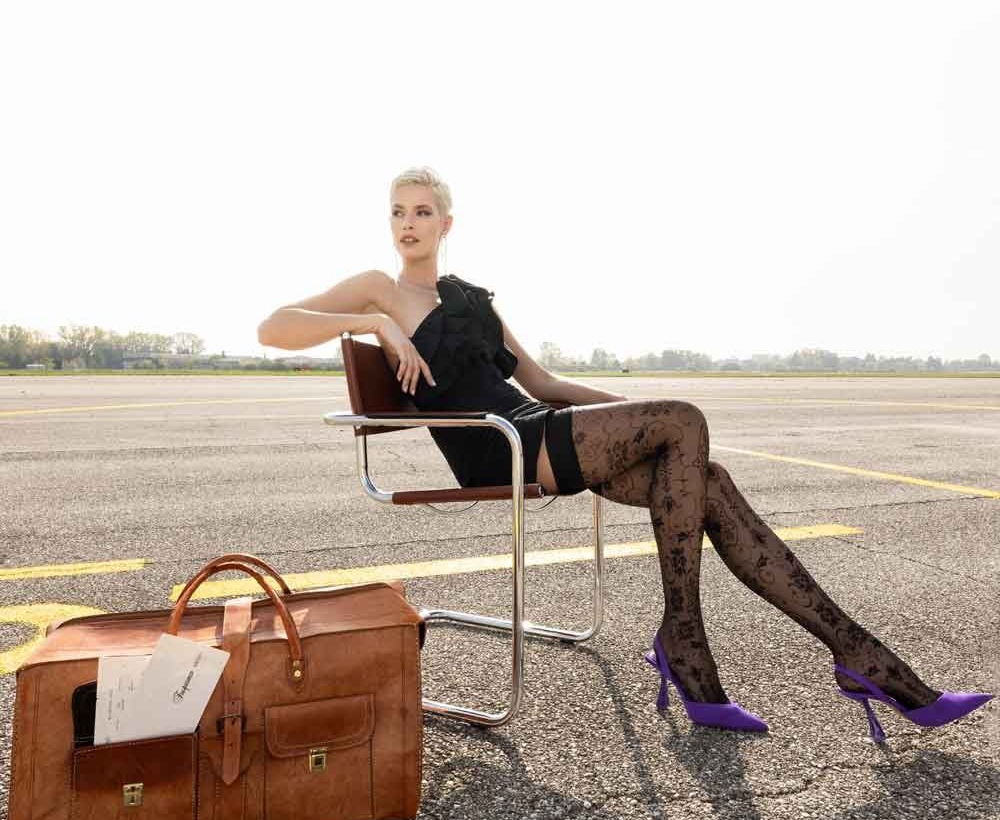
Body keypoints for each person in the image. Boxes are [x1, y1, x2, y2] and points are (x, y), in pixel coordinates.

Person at [258, 165, 993, 741]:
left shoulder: (472, 298)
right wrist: (375, 325)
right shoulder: (381, 289)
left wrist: (636, 415)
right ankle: (691, 643)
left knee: (705, 474)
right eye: (397, 211)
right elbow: (274, 326)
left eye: (421, 211)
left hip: (539, 427)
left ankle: (859, 655)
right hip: (501, 449)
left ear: (446, 222)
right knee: (685, 424)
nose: (407, 223)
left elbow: (541, 381)